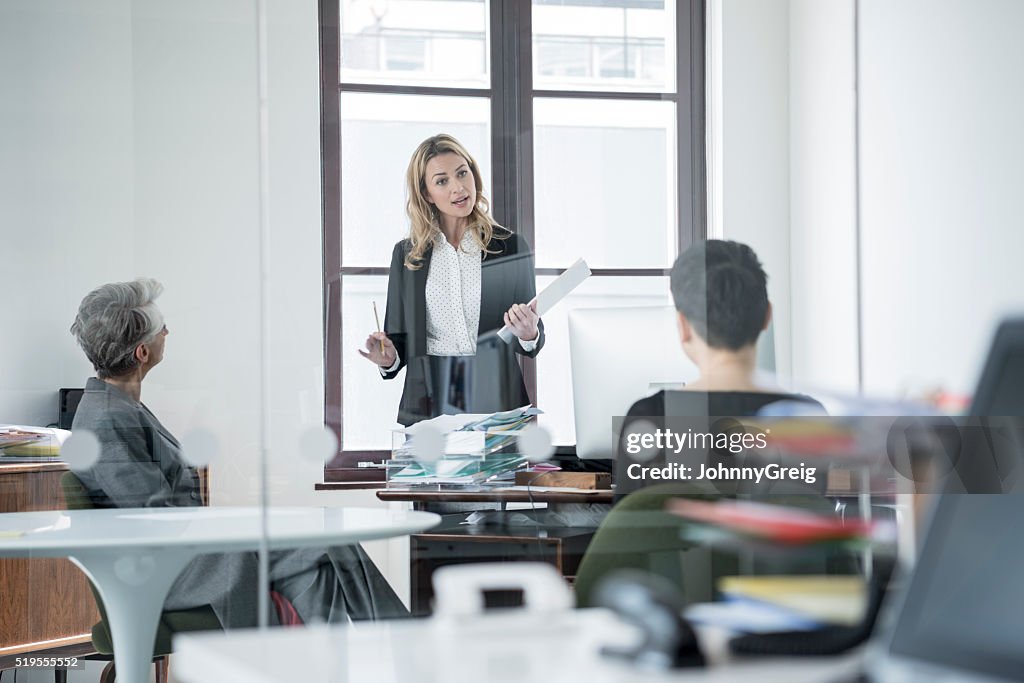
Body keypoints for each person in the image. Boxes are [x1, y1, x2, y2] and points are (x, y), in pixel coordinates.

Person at [70, 278, 407, 628]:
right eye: (161, 328)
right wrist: (233, 527)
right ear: (141, 352)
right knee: (323, 547)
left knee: (324, 551)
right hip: (174, 570)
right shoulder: (109, 418)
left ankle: (359, 656)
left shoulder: (119, 407)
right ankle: (404, 645)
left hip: (196, 553)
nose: (167, 332)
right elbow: (156, 520)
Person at [574, 240, 837, 607]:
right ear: (766, 316)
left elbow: (631, 549)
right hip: (788, 635)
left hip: (678, 642)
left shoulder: (648, 420)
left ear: (682, 326)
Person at [359, 133, 544, 425]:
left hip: (496, 394)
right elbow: (397, 340)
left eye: (462, 173)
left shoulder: (510, 247)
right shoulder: (407, 256)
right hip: (429, 398)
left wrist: (528, 332)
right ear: (426, 193)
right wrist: (388, 358)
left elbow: (531, 336)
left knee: (499, 473)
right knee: (433, 473)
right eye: (442, 181)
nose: (458, 187)